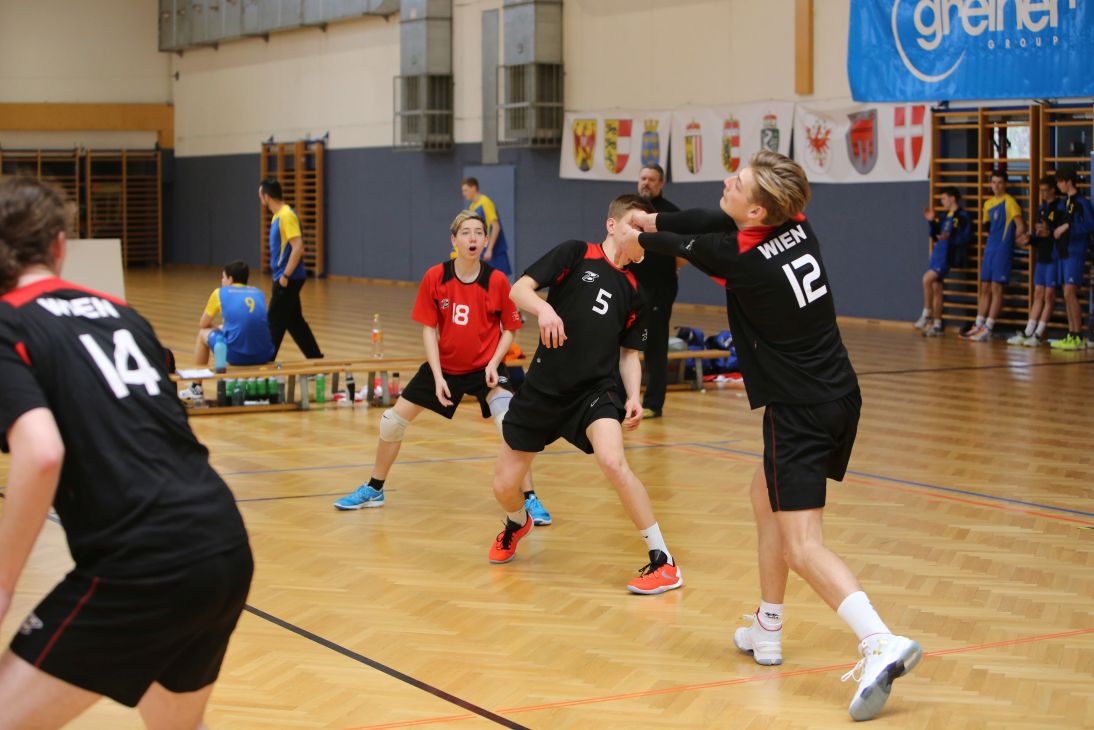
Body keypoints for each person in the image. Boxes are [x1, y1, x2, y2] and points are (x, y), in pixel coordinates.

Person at [619, 151, 920, 721]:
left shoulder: (741, 260)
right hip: (839, 395)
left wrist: (637, 236)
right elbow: (710, 220)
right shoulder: (798, 224)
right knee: (764, 498)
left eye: (738, 183)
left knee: (803, 545)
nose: (726, 182)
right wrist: (651, 219)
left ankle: (879, 641)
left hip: (798, 411)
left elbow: (689, 242)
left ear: (758, 209)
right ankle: (768, 626)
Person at [0, 177, 252, 728]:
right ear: (59, 245)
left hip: (141, 561)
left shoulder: (8, 322)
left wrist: (3, 583)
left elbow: (41, 454)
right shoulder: (122, 314)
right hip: (222, 542)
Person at [487, 193, 684, 596]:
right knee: (504, 487)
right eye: (635, 225)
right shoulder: (576, 254)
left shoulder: (636, 291)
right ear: (612, 225)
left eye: (647, 230)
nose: (642, 235)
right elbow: (519, 290)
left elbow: (629, 353)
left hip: (595, 392)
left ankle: (663, 560)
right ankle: (517, 522)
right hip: (543, 389)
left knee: (614, 462)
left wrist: (633, 395)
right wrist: (544, 310)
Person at [333, 211, 550, 525]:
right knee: (391, 423)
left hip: (486, 369)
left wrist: (493, 363)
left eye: (479, 232)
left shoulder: (497, 280)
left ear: (485, 241)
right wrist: (437, 377)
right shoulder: (435, 277)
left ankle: (529, 498)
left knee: (510, 425)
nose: (473, 238)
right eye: (466, 232)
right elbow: (428, 329)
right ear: (454, 240)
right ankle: (374, 489)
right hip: (445, 366)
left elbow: (510, 329)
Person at [179, 259, 276, 401]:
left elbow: (203, 323)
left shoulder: (220, 293)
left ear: (230, 279)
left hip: (236, 356)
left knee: (202, 334)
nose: (222, 280)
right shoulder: (258, 292)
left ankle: (196, 387)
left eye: (223, 277)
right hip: (264, 354)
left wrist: (218, 327)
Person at [633, 163, 684, 417]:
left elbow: (684, 252)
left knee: (655, 344)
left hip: (660, 288)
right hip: (631, 286)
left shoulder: (671, 214)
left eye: (651, 179)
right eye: (643, 178)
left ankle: (653, 403)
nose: (646, 183)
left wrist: (670, 267)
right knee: (622, 341)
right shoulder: (629, 209)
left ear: (661, 183)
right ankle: (619, 399)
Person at [259, 178, 324, 359]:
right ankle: (316, 359)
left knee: (274, 321)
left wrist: (285, 276)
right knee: (295, 322)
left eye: (260, 196)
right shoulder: (277, 216)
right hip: (286, 277)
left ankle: (266, 362)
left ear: (266, 197)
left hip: (288, 278)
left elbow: (298, 247)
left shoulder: (286, 215)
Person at [960, 170, 1027, 342]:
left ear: (1005, 184)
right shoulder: (988, 204)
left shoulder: (1010, 202)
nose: (996, 186)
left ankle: (988, 327)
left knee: (997, 288)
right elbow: (989, 227)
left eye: (999, 182)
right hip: (990, 249)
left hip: (1002, 250)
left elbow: (1020, 226)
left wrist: (1013, 240)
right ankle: (978, 324)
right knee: (985, 287)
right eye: (993, 182)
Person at [1007, 175, 1062, 347]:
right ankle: (1028, 331)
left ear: (1053, 189)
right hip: (1042, 256)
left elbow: (1061, 234)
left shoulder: (1061, 207)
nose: (1043, 194)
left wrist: (1049, 232)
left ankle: (1039, 334)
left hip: (1055, 256)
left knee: (1049, 295)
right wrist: (1029, 239)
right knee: (1038, 293)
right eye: (1041, 191)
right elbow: (1039, 235)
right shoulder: (1042, 208)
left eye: (1046, 190)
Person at [915, 186, 972, 337]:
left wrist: (951, 238)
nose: (942, 201)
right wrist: (931, 221)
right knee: (936, 289)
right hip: (938, 254)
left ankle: (927, 313)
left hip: (947, 255)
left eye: (944, 198)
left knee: (926, 279)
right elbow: (935, 235)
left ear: (952, 198)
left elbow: (966, 237)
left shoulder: (962, 216)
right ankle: (938, 325)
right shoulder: (944, 215)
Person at [1049, 169, 1094, 351]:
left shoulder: (1082, 202)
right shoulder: (1063, 203)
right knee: (1066, 295)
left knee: (1070, 293)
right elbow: (1055, 224)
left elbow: (1089, 225)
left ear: (1068, 182)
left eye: (1060, 182)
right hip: (1063, 252)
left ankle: (1078, 336)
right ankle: (1071, 334)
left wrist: (1069, 226)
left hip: (1076, 252)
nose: (1058, 185)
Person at [460, 177, 512, 277]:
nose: (464, 193)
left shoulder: (485, 202)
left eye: (465, 190)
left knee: (499, 281)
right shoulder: (472, 207)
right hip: (482, 250)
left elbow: (496, 227)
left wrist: (489, 249)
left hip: (494, 251)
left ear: (474, 188)